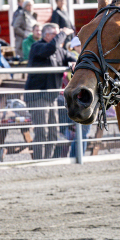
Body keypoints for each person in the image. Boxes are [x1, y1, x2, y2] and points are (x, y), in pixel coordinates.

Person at [25, 23, 77, 160]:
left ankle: (47, 160)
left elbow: (71, 56)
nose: (60, 38)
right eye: (56, 34)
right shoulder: (38, 47)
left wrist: (73, 62)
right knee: (42, 131)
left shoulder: (59, 50)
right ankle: (38, 161)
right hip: (37, 96)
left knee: (53, 133)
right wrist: (63, 33)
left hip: (52, 97)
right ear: (47, 35)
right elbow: (51, 48)